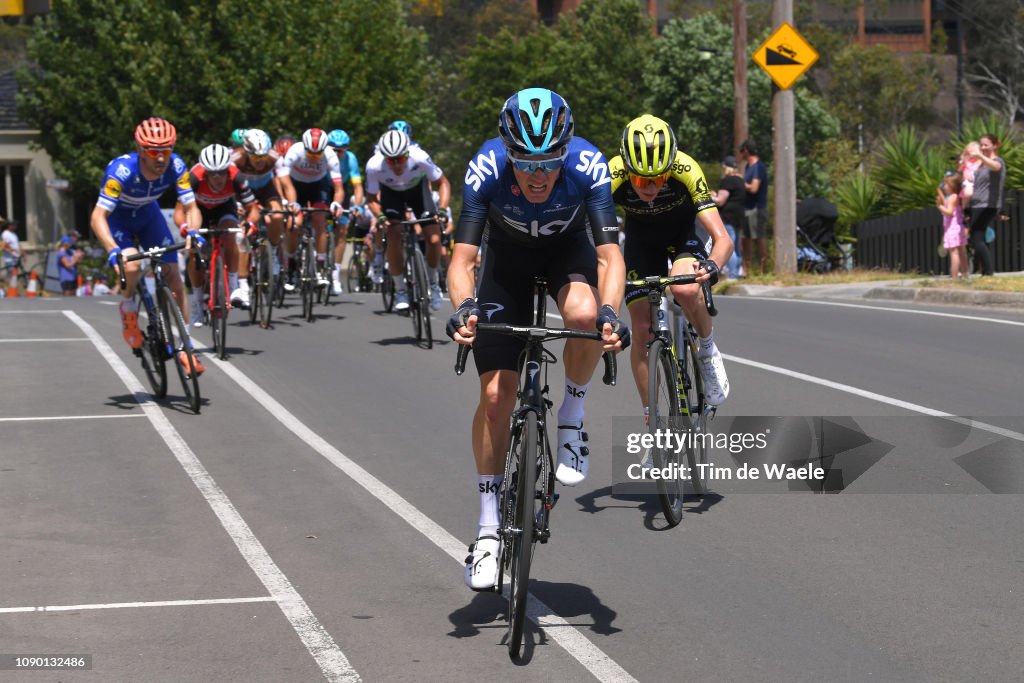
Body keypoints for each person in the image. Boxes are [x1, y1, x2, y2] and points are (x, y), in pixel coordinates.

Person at [445, 88, 628, 591]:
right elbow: (462, 261)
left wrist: (613, 311)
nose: (538, 174)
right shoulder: (485, 168)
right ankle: (486, 531)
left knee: (586, 314)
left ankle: (571, 416)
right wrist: (462, 307)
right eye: (526, 162)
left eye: (549, 162)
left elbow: (610, 259)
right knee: (495, 396)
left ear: (565, 152)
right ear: (508, 152)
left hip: (567, 255)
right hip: (506, 264)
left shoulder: (589, 166)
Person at [610, 114, 732, 425]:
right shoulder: (611, 173)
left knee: (685, 289)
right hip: (640, 242)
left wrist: (713, 265)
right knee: (640, 330)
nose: (650, 188)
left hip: (683, 237)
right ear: (627, 170)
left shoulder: (686, 168)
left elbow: (722, 239)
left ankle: (707, 351)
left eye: (659, 179)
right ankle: (654, 424)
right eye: (640, 180)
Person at [90, 116, 205, 375]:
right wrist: (113, 250)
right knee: (132, 267)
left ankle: (186, 346)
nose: (161, 158)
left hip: (148, 217)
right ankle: (128, 305)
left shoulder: (176, 165)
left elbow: (191, 207)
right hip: (118, 221)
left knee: (174, 276)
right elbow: (98, 217)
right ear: (141, 150)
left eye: (166, 150)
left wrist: (194, 232)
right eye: (154, 151)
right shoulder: (122, 172)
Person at [364, 129, 451, 311]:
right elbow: (371, 197)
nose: (396, 165)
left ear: (407, 153)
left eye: (400, 159)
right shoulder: (374, 165)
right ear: (384, 157)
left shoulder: (419, 157)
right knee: (393, 234)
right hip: (391, 195)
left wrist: (442, 209)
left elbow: (443, 183)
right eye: (391, 160)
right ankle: (400, 289)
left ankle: (433, 283)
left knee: (434, 239)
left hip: (418, 193)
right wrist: (380, 216)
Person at [183, 143, 258, 322]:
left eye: (222, 173)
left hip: (224, 208)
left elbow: (252, 208)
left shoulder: (237, 177)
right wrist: (185, 228)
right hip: (198, 210)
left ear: (228, 169)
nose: (218, 178)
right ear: (205, 172)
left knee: (231, 235)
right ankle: (196, 300)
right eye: (212, 174)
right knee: (194, 252)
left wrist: (250, 222)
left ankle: (234, 287)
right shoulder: (193, 178)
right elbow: (180, 212)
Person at [277, 128, 345, 289]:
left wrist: (336, 203)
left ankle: (321, 266)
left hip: (317, 186)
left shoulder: (330, 155)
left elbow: (339, 188)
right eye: (310, 154)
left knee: (320, 219)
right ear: (305, 148)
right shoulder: (295, 151)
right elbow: (284, 181)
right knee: (294, 223)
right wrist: (290, 203)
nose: (314, 158)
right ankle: (291, 265)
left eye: (317, 154)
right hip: (296, 186)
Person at [233, 129, 287, 285]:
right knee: (241, 232)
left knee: (278, 215)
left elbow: (286, 183)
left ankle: (274, 253)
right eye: (256, 157)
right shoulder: (236, 159)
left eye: (263, 156)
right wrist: (235, 204)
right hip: (243, 190)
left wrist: (291, 202)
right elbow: (228, 185)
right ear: (246, 151)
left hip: (265, 188)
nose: (260, 160)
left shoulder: (275, 157)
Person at [327, 129, 366, 295]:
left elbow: (357, 186)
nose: (338, 153)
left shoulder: (351, 159)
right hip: (324, 190)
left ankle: (334, 276)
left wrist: (357, 205)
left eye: (341, 150)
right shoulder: (324, 157)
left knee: (342, 232)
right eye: (334, 150)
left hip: (340, 191)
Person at [965, 134, 1004, 277]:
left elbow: (995, 166)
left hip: (988, 204)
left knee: (977, 239)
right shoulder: (980, 165)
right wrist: (970, 175)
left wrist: (980, 157)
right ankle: (986, 271)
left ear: (994, 145)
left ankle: (988, 272)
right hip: (977, 204)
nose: (982, 147)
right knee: (977, 238)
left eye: (986, 145)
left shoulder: (997, 161)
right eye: (981, 145)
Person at [712, 154, 745, 278]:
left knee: (729, 246)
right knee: (736, 247)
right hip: (739, 217)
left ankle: (733, 275)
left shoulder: (728, 181)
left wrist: (710, 196)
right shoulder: (740, 180)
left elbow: (720, 200)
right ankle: (737, 272)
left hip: (728, 217)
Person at [739, 139, 768, 274]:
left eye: (742, 152)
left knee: (758, 238)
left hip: (757, 208)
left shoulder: (758, 167)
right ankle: (747, 270)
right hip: (747, 208)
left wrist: (740, 182)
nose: (741, 155)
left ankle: (763, 270)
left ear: (746, 151)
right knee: (746, 239)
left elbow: (754, 188)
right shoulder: (748, 167)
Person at [936, 171, 968, 279]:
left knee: (954, 253)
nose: (944, 186)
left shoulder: (951, 198)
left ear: (952, 186)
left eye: (946, 184)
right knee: (962, 252)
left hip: (952, 228)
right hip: (959, 227)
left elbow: (949, 213)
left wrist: (940, 206)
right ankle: (965, 274)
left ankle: (954, 276)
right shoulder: (958, 197)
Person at [2, 216, 22, 282]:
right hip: (10, 260)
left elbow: (17, 245)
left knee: (14, 277)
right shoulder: (5, 234)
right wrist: (12, 252)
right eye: (14, 225)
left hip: (16, 258)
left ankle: (13, 290)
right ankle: (10, 290)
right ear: (10, 225)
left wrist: (22, 252)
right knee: (12, 277)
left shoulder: (14, 234)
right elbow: (3, 247)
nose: (15, 226)